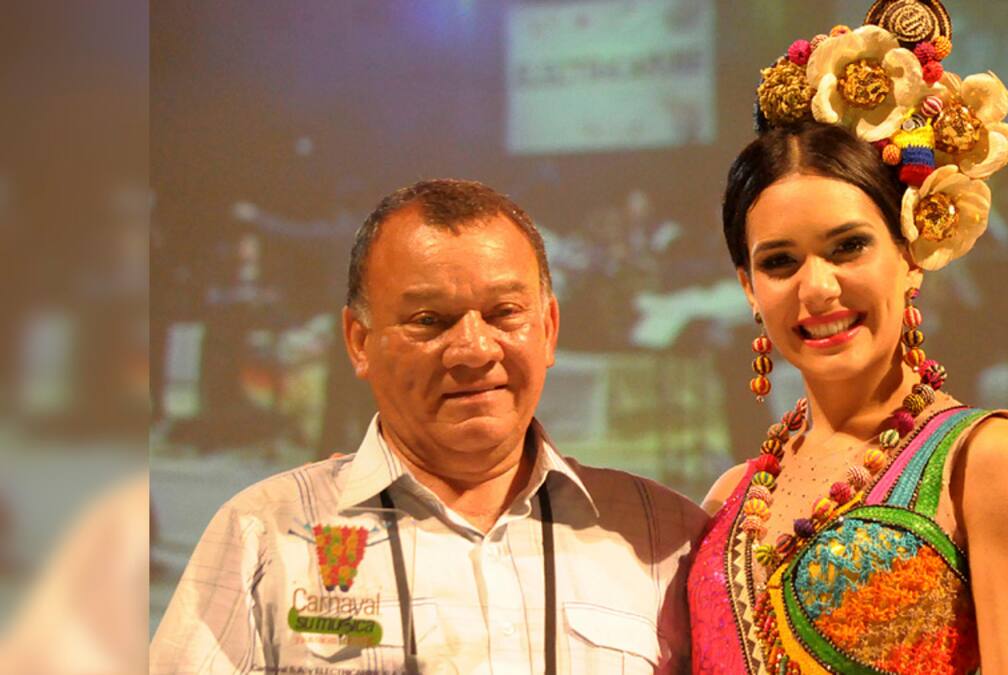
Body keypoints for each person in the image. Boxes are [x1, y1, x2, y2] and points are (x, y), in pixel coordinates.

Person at [150, 179, 708, 673]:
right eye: (429, 320)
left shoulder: (664, 538)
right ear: (359, 342)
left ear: (549, 328)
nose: (474, 349)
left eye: (504, 313)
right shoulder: (265, 534)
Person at [686, 3, 1008, 673]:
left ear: (911, 254)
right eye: (780, 262)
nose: (817, 288)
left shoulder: (985, 462)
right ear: (749, 287)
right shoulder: (728, 499)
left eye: (848, 247)